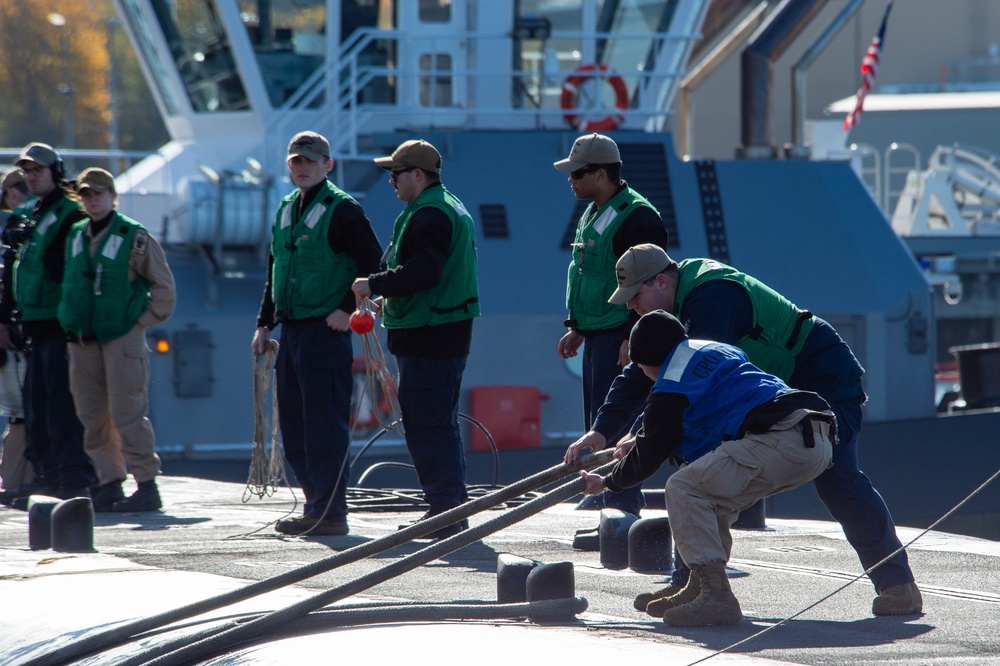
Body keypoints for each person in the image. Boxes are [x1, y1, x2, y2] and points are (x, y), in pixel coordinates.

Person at [568, 243, 922, 617]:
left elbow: (675, 392)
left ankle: (898, 585)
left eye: (635, 295)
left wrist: (635, 443)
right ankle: (695, 584)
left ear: (660, 281)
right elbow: (645, 373)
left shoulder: (713, 297)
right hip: (770, 398)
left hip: (818, 374)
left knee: (839, 480)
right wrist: (602, 432)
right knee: (705, 471)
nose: (630, 306)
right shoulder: (676, 312)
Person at [579, 310, 835, 626]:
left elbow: (649, 455)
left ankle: (716, 597)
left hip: (780, 437)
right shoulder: (714, 349)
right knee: (709, 496)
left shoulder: (669, 384)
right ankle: (699, 587)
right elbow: (701, 422)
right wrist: (648, 435)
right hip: (815, 437)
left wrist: (605, 482)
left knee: (683, 487)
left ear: (646, 361)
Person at [251, 131, 383, 536]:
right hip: (291, 331)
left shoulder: (342, 210)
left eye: (310, 160)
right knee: (295, 424)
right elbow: (276, 271)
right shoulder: (287, 209)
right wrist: (263, 322)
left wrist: (347, 309)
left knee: (324, 424)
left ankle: (330, 512)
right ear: (289, 166)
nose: (303, 167)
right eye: (296, 161)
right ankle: (315, 505)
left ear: (327, 165)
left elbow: (373, 265)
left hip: (325, 332)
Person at [352, 139, 480, 540]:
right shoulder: (443, 205)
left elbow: (426, 271)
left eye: (396, 173)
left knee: (428, 425)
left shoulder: (430, 214)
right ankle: (449, 510)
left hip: (431, 334)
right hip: (441, 330)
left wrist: (372, 284)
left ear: (417, 175)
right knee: (438, 423)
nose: (390, 180)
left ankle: (445, 512)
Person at [553, 133, 668, 521]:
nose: (570, 180)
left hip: (620, 333)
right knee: (598, 420)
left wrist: (629, 337)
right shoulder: (594, 210)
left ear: (600, 174)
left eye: (577, 173)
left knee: (618, 419)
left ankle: (622, 506)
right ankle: (603, 493)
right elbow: (590, 273)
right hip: (597, 331)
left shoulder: (638, 217)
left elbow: (647, 285)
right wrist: (578, 327)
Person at [58, 168, 177, 512]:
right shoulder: (77, 234)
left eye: (98, 193)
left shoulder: (133, 236)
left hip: (121, 339)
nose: (92, 199)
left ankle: (147, 485)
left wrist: (139, 324)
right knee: (92, 416)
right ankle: (109, 482)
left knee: (128, 413)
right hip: (83, 340)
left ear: (112, 195)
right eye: (85, 194)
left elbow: (164, 289)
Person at [0, 143, 96, 504]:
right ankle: (46, 479)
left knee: (61, 408)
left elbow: (73, 275)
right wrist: (5, 318)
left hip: (59, 327)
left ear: (55, 170)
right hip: (33, 328)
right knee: (37, 407)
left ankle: (72, 480)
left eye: (37, 169)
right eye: (25, 170)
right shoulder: (35, 214)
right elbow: (14, 268)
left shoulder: (70, 214)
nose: (30, 175)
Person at [0, 170, 30, 504]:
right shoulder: (10, 229)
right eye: (16, 188)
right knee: (19, 410)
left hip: (31, 328)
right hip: (9, 332)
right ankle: (15, 481)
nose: (23, 192)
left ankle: (22, 480)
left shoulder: (35, 225)